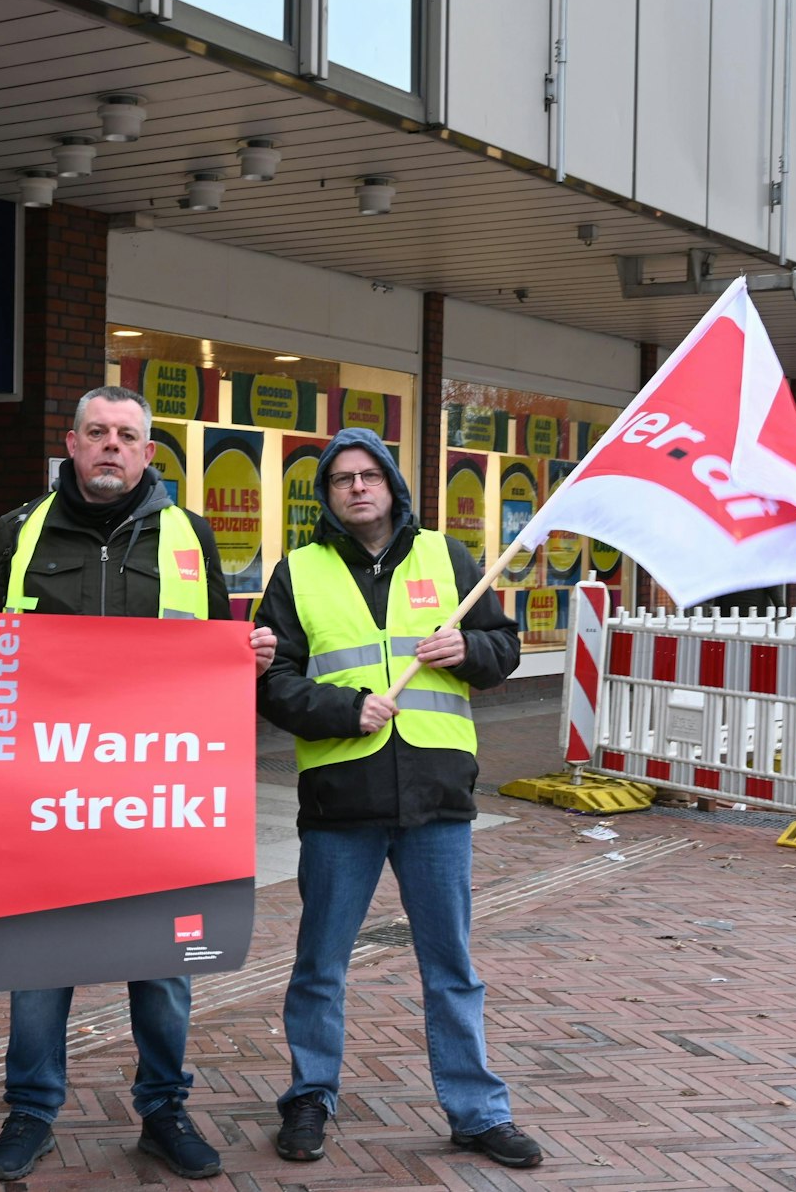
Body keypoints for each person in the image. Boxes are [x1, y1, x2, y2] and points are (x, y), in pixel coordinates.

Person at [0, 385, 276, 1183]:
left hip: (158, 794)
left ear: (147, 451)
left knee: (163, 963)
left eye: (126, 435)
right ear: (70, 443)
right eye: (96, 432)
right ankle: (31, 1111)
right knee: (40, 960)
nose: (110, 445)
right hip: (51, 794)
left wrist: (247, 660)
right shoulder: (18, 529)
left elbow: (215, 658)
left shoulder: (191, 535)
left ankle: (164, 1110)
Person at [253, 428, 542, 1171]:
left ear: (392, 485)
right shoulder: (298, 572)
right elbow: (272, 684)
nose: (357, 487)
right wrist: (345, 709)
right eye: (341, 478)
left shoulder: (449, 558)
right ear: (326, 495)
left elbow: (504, 648)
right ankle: (309, 1097)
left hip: (437, 798)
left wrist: (470, 650)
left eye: (369, 475)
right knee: (320, 964)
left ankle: (478, 1112)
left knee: (452, 966)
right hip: (340, 801)